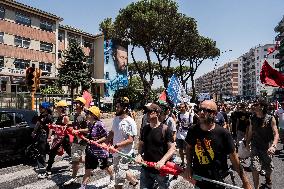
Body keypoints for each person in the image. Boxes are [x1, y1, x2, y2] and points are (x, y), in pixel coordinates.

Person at [183, 100, 252, 189]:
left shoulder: (223, 134)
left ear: (215, 114)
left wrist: (245, 182)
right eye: (200, 109)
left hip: (218, 179)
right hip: (199, 177)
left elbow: (234, 159)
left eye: (206, 110)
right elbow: (189, 148)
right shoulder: (193, 130)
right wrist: (188, 166)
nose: (202, 112)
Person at [136, 103, 175, 189]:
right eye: (146, 111)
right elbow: (141, 144)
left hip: (161, 170)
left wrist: (162, 161)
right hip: (146, 167)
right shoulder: (145, 129)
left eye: (150, 111)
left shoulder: (165, 129)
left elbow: (172, 149)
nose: (147, 114)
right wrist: (139, 155)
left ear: (157, 113)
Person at [106, 97, 138, 189]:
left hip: (124, 153)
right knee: (120, 170)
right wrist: (106, 142)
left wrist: (116, 145)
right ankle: (135, 182)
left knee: (118, 181)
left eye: (118, 107)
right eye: (116, 106)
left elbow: (130, 140)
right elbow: (112, 132)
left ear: (125, 108)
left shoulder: (130, 121)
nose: (116, 108)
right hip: (115, 151)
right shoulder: (116, 118)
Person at [246, 100, 279, 189]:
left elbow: (276, 133)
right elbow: (250, 131)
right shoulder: (252, 117)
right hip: (255, 146)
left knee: (268, 169)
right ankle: (256, 187)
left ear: (262, 107)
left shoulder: (270, 118)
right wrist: (247, 142)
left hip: (267, 147)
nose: (253, 106)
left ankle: (268, 179)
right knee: (255, 168)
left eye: (256, 104)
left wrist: (274, 146)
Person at [79, 106, 114, 189]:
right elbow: (88, 130)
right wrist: (79, 131)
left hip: (100, 152)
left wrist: (97, 142)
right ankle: (83, 186)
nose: (86, 114)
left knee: (104, 166)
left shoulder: (100, 124)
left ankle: (113, 177)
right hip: (90, 150)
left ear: (94, 115)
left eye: (88, 113)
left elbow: (106, 136)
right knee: (88, 169)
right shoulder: (90, 123)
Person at [38, 100, 71, 179]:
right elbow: (54, 128)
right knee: (52, 153)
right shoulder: (58, 117)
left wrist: (60, 128)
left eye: (57, 107)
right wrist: (51, 131)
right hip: (58, 139)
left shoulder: (65, 117)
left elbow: (69, 128)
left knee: (71, 153)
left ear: (61, 108)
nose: (56, 109)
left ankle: (81, 166)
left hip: (64, 139)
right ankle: (48, 170)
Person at [64, 97, 88, 185]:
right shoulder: (75, 114)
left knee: (75, 159)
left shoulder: (84, 115)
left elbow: (88, 129)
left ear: (82, 105)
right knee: (78, 158)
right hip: (75, 139)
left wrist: (78, 131)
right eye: (75, 102)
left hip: (81, 140)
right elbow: (75, 124)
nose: (75, 104)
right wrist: (68, 124)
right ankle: (90, 164)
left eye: (77, 103)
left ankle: (73, 177)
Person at [31, 102, 53, 169]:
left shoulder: (49, 117)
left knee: (42, 150)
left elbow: (51, 128)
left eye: (41, 107)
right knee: (42, 150)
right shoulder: (41, 115)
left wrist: (49, 137)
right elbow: (38, 124)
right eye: (40, 107)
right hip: (40, 135)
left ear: (45, 109)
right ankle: (45, 163)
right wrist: (34, 132)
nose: (39, 109)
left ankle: (42, 166)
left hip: (44, 135)